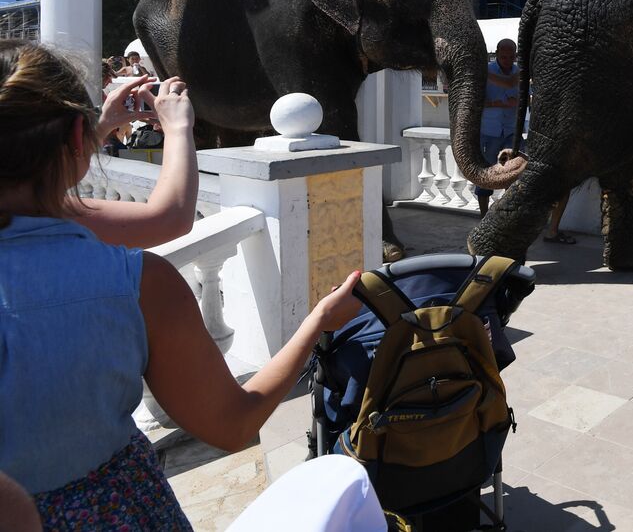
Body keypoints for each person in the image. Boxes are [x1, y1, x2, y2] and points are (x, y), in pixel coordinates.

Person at [0, 41, 363, 530]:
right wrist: (318, 320)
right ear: (76, 137)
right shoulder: (138, 284)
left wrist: (92, 129)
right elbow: (232, 424)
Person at [475, 39, 520, 216]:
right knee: (486, 173)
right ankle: (484, 216)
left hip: (511, 131)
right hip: (490, 130)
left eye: (511, 56)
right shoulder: (486, 71)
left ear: (515, 55)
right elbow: (476, 100)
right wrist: (497, 103)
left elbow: (523, 97)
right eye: (503, 56)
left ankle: (506, 216)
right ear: (497, 54)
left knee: (514, 172)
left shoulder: (518, 72)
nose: (507, 60)